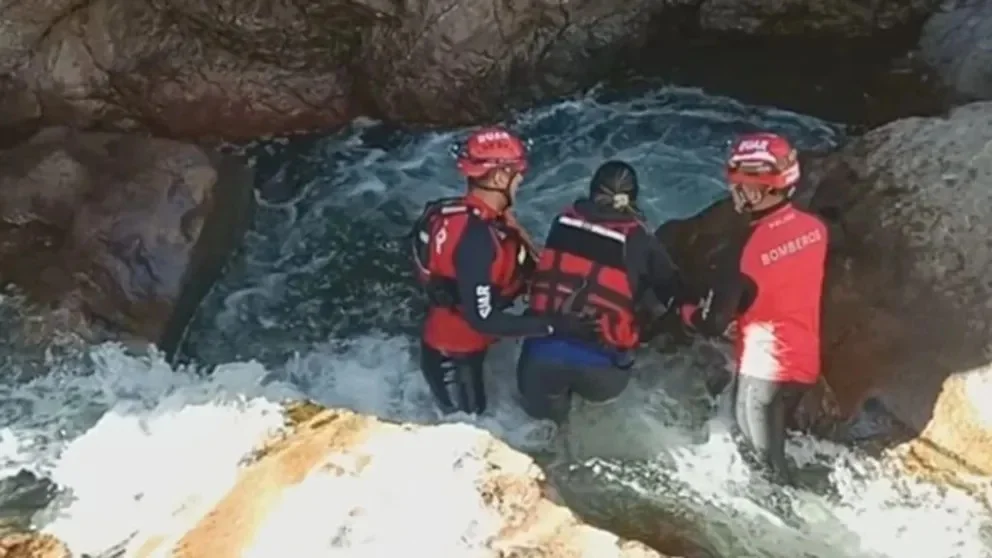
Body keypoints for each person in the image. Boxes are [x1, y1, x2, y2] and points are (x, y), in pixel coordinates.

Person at [410, 126, 599, 416]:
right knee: (471, 433)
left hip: (447, 339)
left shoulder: (450, 212)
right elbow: (482, 319)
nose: (521, 179)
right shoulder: (478, 240)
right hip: (454, 358)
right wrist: (553, 325)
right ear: (499, 177)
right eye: (517, 172)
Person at [678, 132, 828, 485]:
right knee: (774, 448)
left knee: (764, 465)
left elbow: (712, 323)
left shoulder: (742, 254)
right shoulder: (815, 229)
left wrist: (684, 311)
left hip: (764, 374)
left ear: (757, 190)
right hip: (805, 363)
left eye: (738, 185)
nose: (732, 192)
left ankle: (792, 516)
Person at [515, 160, 684, 424]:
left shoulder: (562, 221)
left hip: (539, 360)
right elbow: (674, 292)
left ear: (593, 190)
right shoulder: (641, 239)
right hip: (601, 374)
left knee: (542, 428)